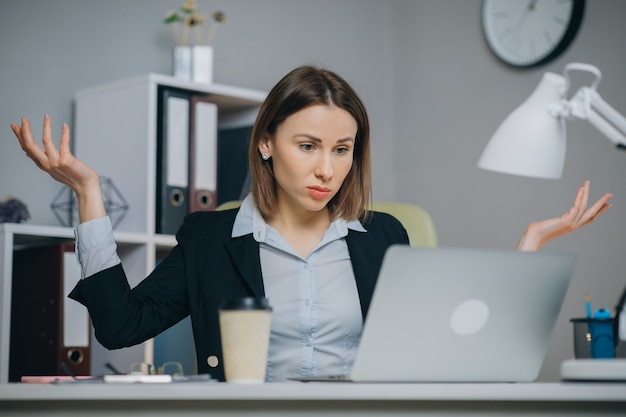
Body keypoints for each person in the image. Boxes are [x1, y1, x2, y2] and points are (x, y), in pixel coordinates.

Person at [10, 65, 613, 382]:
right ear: (267, 141)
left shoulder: (383, 238)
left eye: (343, 149)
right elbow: (119, 327)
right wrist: (89, 194)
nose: (328, 168)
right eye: (308, 145)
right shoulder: (212, 239)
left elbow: (450, 345)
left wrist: (529, 247)